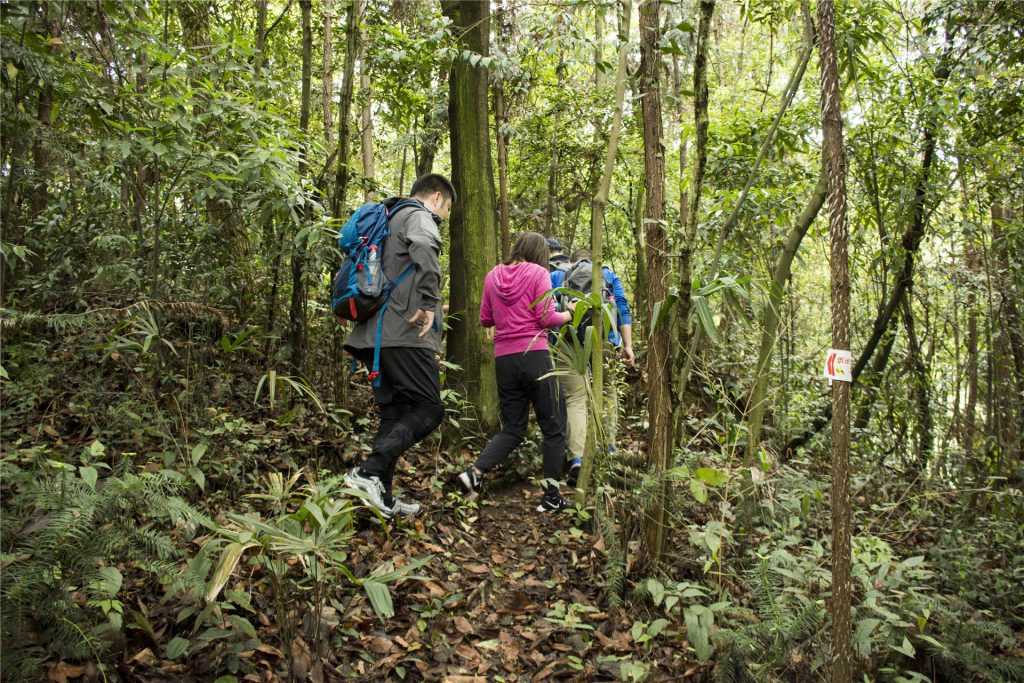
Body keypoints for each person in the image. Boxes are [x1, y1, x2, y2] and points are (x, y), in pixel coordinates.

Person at [343, 173, 456, 519]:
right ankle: (368, 471)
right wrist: (428, 301)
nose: (445, 216)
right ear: (436, 197)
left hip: (373, 335)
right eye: (447, 208)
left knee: (394, 415)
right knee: (429, 408)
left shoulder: (389, 219)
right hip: (403, 335)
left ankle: (381, 498)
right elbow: (423, 246)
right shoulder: (420, 216)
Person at [456, 231, 575, 512]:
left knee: (513, 428)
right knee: (554, 427)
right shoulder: (537, 273)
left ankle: (474, 473)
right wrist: (569, 313)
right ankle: (551, 498)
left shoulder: (492, 275)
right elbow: (547, 318)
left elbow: (486, 319)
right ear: (540, 254)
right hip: (535, 355)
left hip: (504, 360)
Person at [549, 246, 634, 487]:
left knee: (575, 399)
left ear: (571, 261)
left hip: (568, 341)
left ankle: (577, 458)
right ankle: (608, 449)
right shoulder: (608, 274)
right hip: (605, 340)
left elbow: (547, 309)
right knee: (608, 393)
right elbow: (623, 308)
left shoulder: (557, 276)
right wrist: (627, 345)